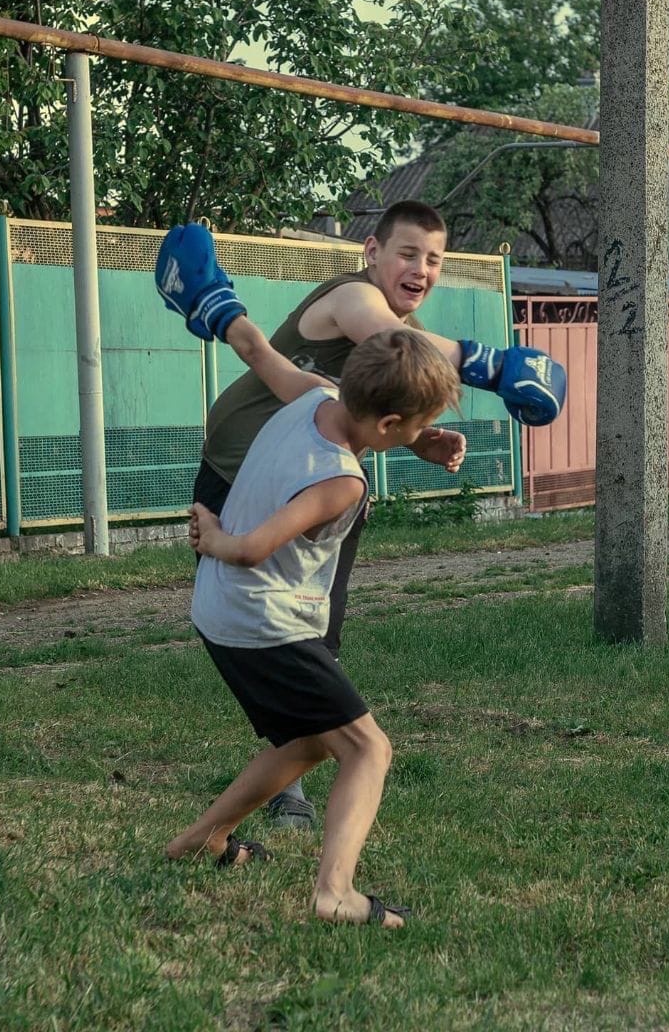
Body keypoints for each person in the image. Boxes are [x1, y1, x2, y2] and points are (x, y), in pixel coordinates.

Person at [175, 201, 566, 828]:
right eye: (407, 252)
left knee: (307, 628)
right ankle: (293, 775)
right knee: (281, 635)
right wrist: (496, 365)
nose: (421, 268)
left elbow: (355, 398)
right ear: (372, 253)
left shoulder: (355, 382)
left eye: (434, 258)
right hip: (248, 474)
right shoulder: (354, 299)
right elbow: (393, 344)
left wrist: (418, 438)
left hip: (305, 480)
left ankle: (287, 767)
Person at [158, 222, 464, 926]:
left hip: (227, 615)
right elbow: (258, 546)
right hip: (260, 621)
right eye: (412, 428)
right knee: (368, 749)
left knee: (308, 742)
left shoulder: (309, 394)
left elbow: (256, 346)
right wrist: (217, 537)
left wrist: (217, 299)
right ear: (390, 425)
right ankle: (335, 894)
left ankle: (197, 841)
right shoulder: (344, 481)